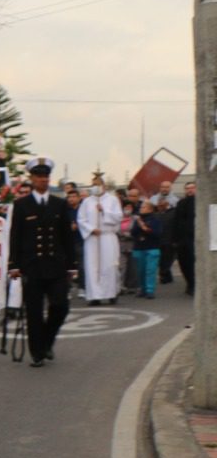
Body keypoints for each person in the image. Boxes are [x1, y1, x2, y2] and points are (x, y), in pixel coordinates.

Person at [9, 156, 76, 368]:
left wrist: (72, 264)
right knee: (34, 312)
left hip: (56, 265)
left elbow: (67, 236)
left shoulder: (60, 204)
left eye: (46, 176)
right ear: (31, 178)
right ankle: (37, 353)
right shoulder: (21, 205)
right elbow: (16, 236)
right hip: (32, 265)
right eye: (38, 176)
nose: (43, 180)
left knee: (60, 306)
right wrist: (14, 265)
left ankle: (47, 340)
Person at [76, 175, 122, 306]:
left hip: (107, 237)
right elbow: (81, 219)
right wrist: (91, 229)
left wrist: (104, 211)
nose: (95, 187)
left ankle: (111, 293)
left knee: (109, 266)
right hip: (92, 239)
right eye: (93, 184)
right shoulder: (86, 202)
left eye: (97, 184)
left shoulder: (112, 200)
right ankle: (94, 296)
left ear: (104, 186)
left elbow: (118, 217)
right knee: (92, 267)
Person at [130, 200, 163, 299]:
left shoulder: (155, 219)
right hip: (139, 247)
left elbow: (157, 233)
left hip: (152, 247)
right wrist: (139, 226)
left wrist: (144, 227)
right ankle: (142, 289)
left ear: (150, 209)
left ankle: (150, 290)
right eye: (141, 207)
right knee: (140, 270)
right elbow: (133, 233)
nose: (141, 209)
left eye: (143, 207)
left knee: (150, 270)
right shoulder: (138, 220)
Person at [175, 181, 196, 294]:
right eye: (187, 188)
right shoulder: (181, 203)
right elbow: (176, 220)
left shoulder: (200, 202)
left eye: (192, 188)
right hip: (182, 239)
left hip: (195, 238)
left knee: (193, 262)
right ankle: (190, 283)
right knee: (184, 263)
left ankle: (194, 285)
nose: (190, 190)